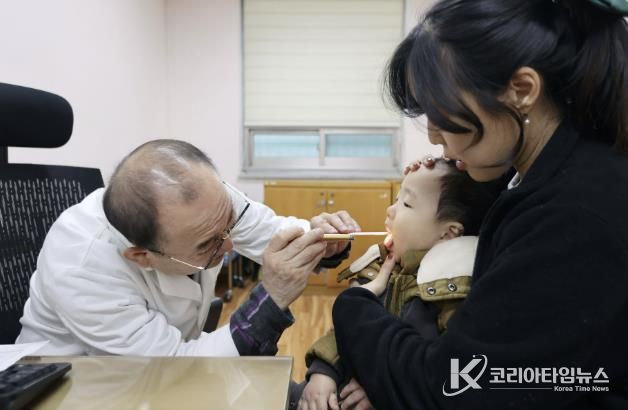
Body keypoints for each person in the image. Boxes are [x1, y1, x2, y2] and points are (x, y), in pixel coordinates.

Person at [331, 0, 628, 409]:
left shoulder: (575, 216)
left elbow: (449, 388)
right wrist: (452, 182)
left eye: (441, 112)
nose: (433, 136)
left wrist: (354, 307)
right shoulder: (554, 169)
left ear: (521, 91)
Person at [16, 139, 358, 356]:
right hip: (82, 386)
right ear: (142, 256)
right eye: (208, 244)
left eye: (229, 222)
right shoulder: (82, 269)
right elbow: (177, 366)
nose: (230, 244)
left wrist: (324, 241)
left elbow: (272, 233)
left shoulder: (207, 203)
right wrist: (270, 298)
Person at [295, 159, 502, 410]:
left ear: (448, 233)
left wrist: (385, 387)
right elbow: (344, 332)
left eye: (407, 204)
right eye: (396, 199)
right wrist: (323, 372)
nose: (390, 210)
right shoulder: (380, 266)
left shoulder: (454, 291)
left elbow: (446, 372)